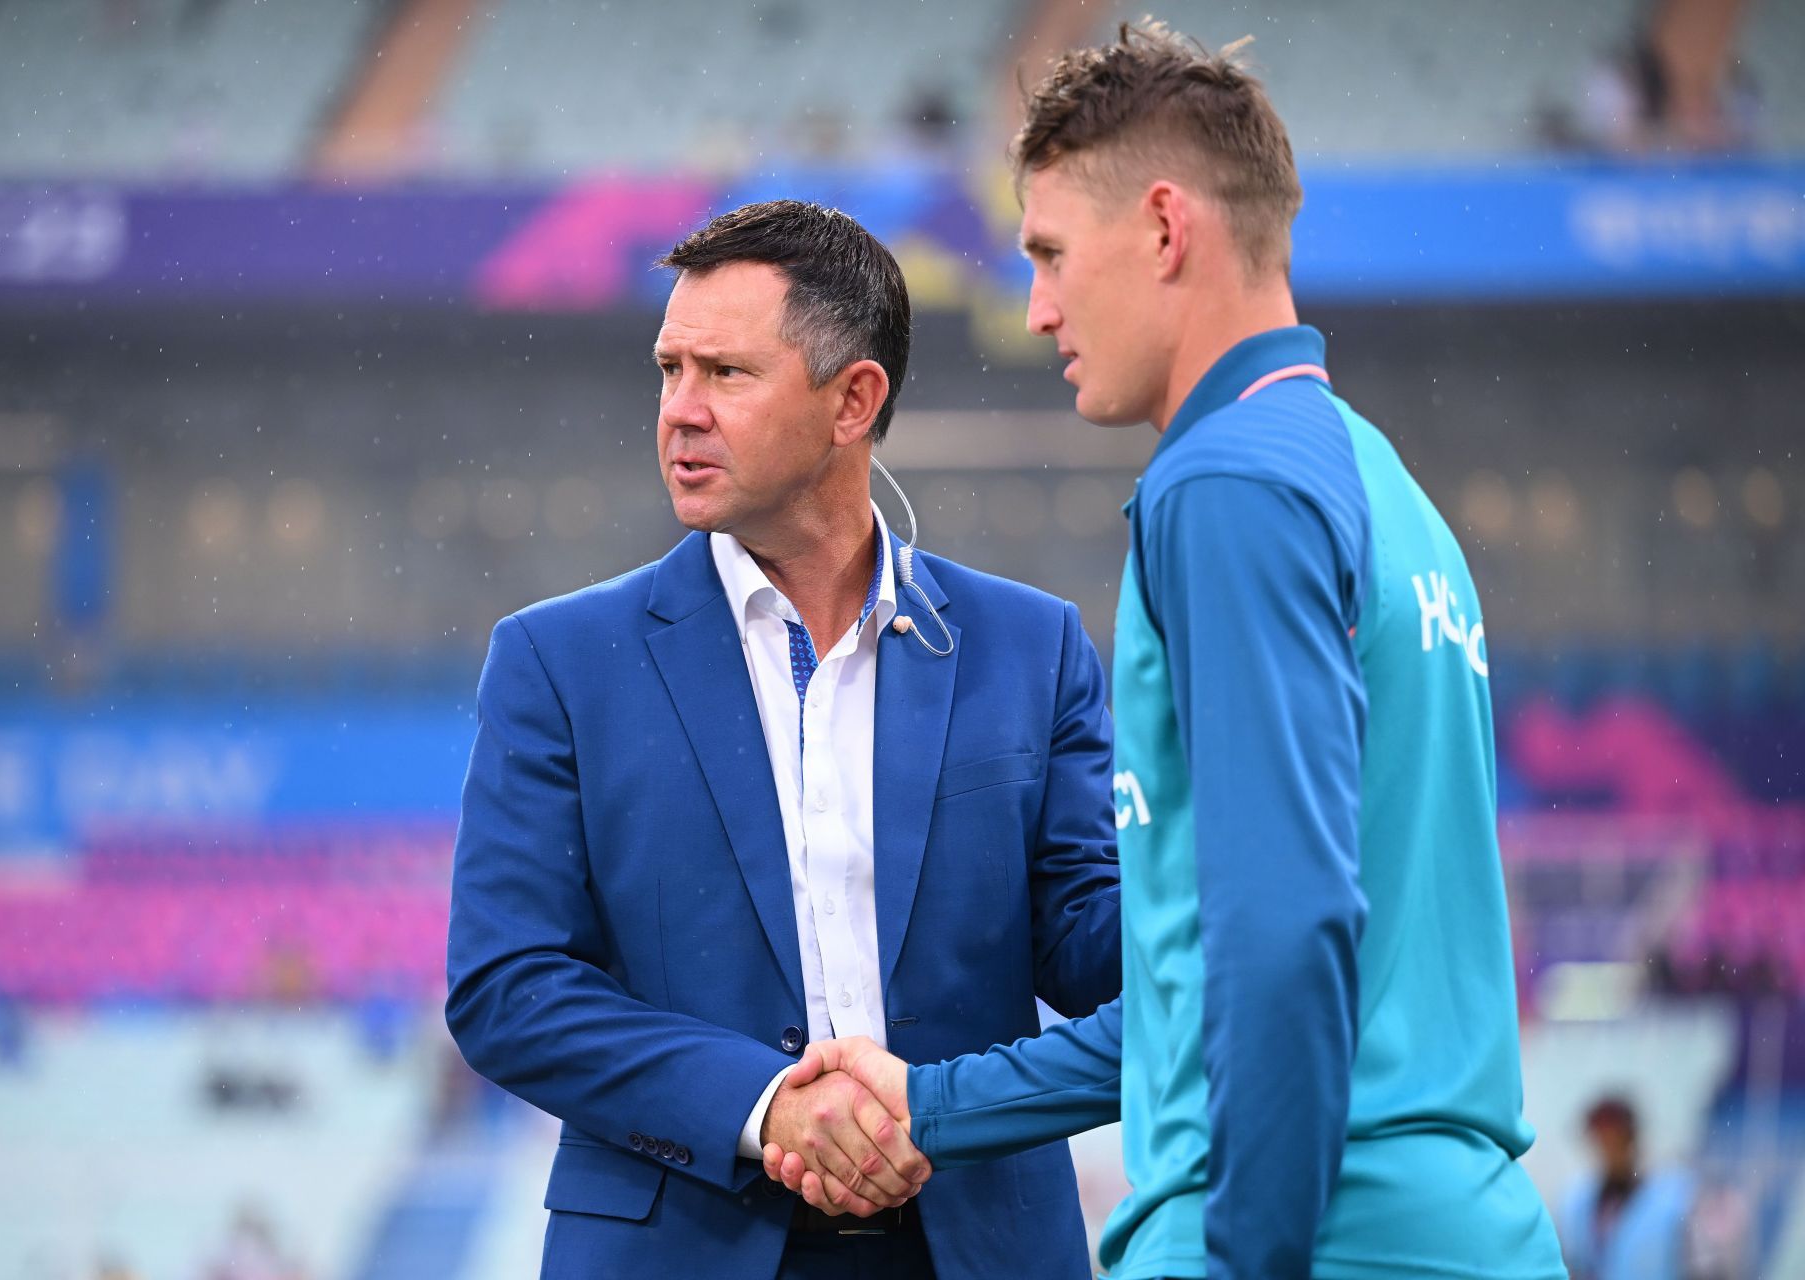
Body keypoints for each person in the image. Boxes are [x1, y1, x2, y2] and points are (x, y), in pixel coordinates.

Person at [765, 22, 1568, 1280]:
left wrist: (1248, 1257)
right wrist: (940, 1104)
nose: (1034, 309)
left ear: (1162, 227)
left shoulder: (1226, 486)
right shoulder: (1375, 476)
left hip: (1300, 1230)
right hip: (1462, 1222)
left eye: (1047, 254)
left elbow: (1288, 932)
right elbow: (1221, 990)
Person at [445, 199, 1123, 1279]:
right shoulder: (558, 662)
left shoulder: (1029, 647)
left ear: (854, 399)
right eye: (670, 370)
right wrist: (763, 1108)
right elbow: (508, 986)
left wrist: (1223, 876)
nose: (679, 411)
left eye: (725, 374)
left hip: (980, 1246)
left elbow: (1098, 943)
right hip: (684, 1247)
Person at [1556, 1096, 1698, 1280]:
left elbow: (1701, 1268)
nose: (1608, 1151)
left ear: (1632, 1139)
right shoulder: (1577, 1203)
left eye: (1615, 1141)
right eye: (1601, 1142)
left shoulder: (1674, 1200)